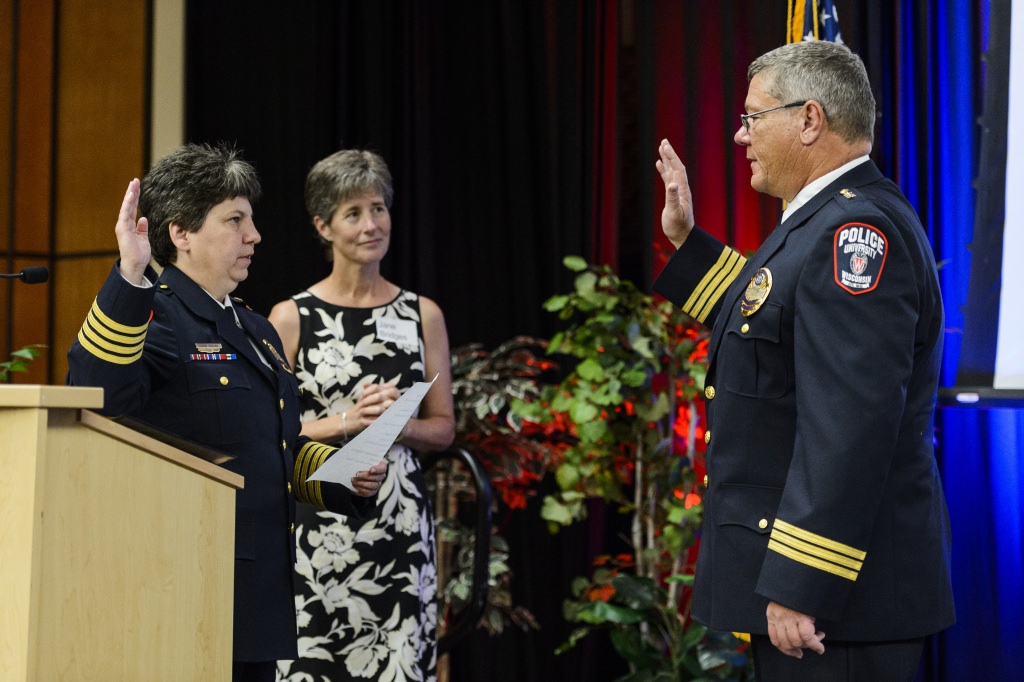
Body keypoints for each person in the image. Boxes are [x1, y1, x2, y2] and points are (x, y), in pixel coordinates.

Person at [653, 41, 955, 680]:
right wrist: (686, 241)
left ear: (810, 119)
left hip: (836, 608)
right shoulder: (821, 222)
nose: (740, 137)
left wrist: (800, 580)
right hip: (823, 604)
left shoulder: (855, 234)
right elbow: (770, 318)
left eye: (753, 117)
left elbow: (850, 425)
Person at [66, 143, 388, 682]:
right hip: (180, 588)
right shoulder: (153, 312)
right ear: (181, 234)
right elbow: (96, 400)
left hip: (253, 597)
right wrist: (128, 276)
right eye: (234, 220)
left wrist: (342, 475)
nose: (254, 235)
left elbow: (272, 447)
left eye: (252, 220)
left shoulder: (256, 330)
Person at [268, 149, 455, 682]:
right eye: (353, 213)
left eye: (379, 208)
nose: (372, 225)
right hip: (317, 521)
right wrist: (347, 421)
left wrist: (397, 421)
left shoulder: (422, 314)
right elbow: (270, 429)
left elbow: (443, 428)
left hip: (398, 525)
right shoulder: (291, 316)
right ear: (323, 226)